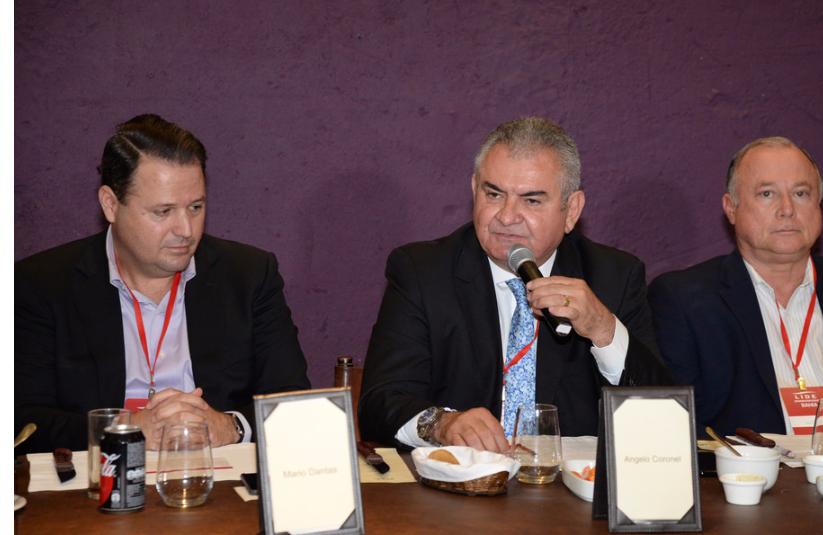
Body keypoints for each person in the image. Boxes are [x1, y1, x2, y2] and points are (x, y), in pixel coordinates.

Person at [359, 117, 670, 452]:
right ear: (474, 190)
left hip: (571, 482)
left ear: (571, 210)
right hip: (461, 481)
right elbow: (380, 403)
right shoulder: (423, 272)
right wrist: (441, 423)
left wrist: (603, 330)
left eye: (531, 200)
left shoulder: (614, 276)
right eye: (493, 194)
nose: (506, 217)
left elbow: (664, 420)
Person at [15, 114, 310, 453]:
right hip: (100, 478)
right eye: (163, 211)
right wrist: (123, 429)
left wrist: (230, 426)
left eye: (195, 207)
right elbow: (23, 419)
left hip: (218, 475)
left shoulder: (249, 275)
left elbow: (293, 402)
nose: (185, 229)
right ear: (111, 204)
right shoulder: (43, 284)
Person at [648, 136, 823, 437]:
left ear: (819, 205)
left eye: (800, 193)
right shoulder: (684, 301)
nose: (787, 209)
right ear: (731, 208)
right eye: (767, 193)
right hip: (757, 466)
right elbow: (677, 428)